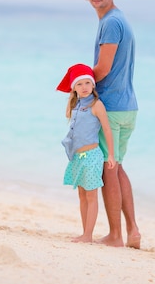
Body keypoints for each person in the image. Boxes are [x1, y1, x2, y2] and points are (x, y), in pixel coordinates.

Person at [83, 0, 141, 249]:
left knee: (109, 169)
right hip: (128, 107)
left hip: (114, 108)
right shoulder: (119, 19)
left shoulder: (110, 22)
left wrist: (78, 83)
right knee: (116, 167)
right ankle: (132, 231)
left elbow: (103, 69)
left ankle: (116, 235)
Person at [57, 63, 115, 243]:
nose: (84, 87)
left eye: (87, 83)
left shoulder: (96, 105)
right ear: (74, 87)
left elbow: (106, 129)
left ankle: (88, 235)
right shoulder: (74, 105)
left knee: (91, 195)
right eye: (79, 84)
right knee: (81, 195)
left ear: (93, 85)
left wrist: (111, 155)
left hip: (91, 156)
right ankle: (84, 233)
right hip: (77, 157)